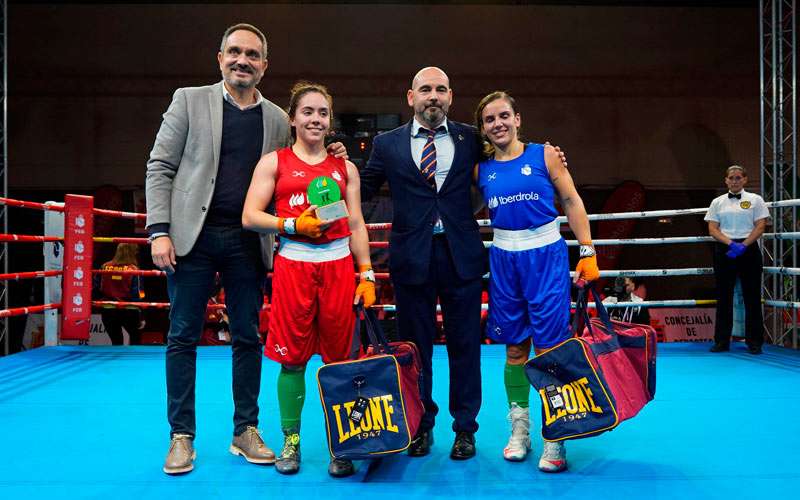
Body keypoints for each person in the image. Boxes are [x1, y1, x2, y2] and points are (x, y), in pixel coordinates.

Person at [145, 23, 346, 475]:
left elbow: (297, 164)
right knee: (181, 337)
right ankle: (181, 436)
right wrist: (158, 229)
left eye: (252, 55)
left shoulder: (278, 117)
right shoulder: (188, 100)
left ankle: (245, 430)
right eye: (234, 52)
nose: (243, 60)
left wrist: (330, 151)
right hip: (191, 239)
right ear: (220, 58)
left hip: (247, 242)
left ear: (264, 66)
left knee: (247, 337)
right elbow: (159, 166)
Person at [242, 81, 376, 478]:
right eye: (308, 112)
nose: (315, 119)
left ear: (329, 121)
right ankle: (291, 441)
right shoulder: (274, 162)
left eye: (322, 113)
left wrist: (366, 272)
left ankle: (342, 442)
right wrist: (290, 223)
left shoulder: (344, 167)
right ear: (293, 118)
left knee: (340, 362)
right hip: (293, 267)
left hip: (337, 268)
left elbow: (355, 222)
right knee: (291, 360)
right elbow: (250, 216)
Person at [359, 67, 487, 461]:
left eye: (441, 89)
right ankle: (420, 425)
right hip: (411, 257)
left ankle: (465, 428)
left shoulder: (471, 138)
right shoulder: (387, 143)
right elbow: (359, 189)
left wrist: (547, 156)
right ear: (410, 96)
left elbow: (501, 168)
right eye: (426, 89)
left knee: (465, 346)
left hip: (460, 255)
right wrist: (331, 165)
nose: (434, 96)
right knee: (417, 348)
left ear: (451, 96)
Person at [474, 91, 599, 472]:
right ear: (482, 128)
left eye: (504, 115)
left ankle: (555, 436)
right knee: (515, 350)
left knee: (550, 350)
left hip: (546, 256)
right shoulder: (481, 170)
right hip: (504, 260)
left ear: (518, 118)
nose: (498, 123)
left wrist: (588, 250)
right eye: (490, 119)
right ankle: (520, 431)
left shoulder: (544, 154)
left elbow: (573, 200)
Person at [705, 165, 769, 354]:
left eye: (738, 177)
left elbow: (760, 226)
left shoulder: (755, 200)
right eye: (731, 177)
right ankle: (722, 341)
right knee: (724, 297)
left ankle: (755, 342)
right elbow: (712, 229)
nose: (734, 180)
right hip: (725, 249)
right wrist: (731, 244)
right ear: (726, 180)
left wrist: (744, 244)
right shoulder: (717, 202)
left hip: (748, 249)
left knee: (752, 297)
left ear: (745, 179)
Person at [93, 243, 143, 345]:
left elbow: (95, 287)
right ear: (132, 252)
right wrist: (141, 315)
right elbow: (138, 294)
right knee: (135, 338)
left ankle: (117, 360)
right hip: (128, 309)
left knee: (116, 341)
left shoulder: (105, 266)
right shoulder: (133, 269)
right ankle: (135, 361)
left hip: (108, 309)